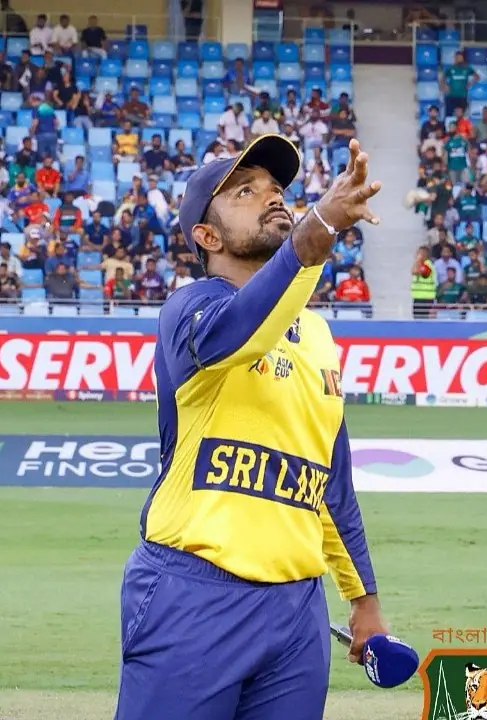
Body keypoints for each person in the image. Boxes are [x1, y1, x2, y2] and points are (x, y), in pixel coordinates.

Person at [114, 136, 388, 720]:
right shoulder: (189, 308)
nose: (271, 196)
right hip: (193, 594)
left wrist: (363, 599)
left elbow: (331, 483)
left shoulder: (319, 336)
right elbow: (243, 329)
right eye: (245, 191)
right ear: (207, 237)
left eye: (276, 188)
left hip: (298, 612)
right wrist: (316, 232)